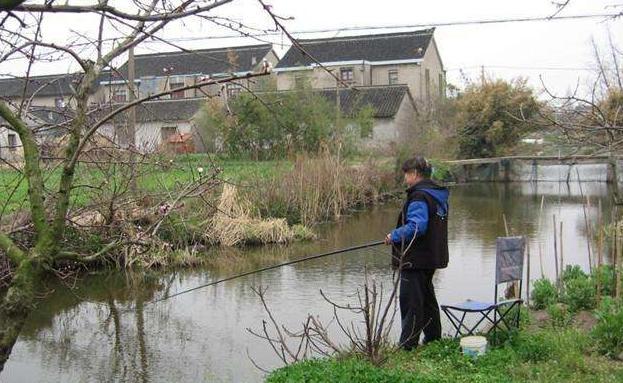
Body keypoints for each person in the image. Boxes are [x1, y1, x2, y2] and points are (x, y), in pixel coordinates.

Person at [384, 156, 449, 350]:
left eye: (406, 174)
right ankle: (433, 340)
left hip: (415, 259)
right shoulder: (437, 194)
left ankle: (407, 346)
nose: (405, 178)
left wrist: (393, 235)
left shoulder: (420, 196)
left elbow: (417, 227)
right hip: (431, 258)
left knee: (411, 302)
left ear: (414, 174)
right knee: (427, 300)